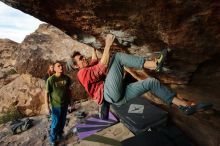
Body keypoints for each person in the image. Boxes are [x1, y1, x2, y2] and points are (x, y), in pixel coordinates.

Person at [72, 34, 212, 119]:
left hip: (118, 99)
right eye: (80, 59)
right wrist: (108, 44)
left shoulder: (87, 67)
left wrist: (93, 48)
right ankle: (154, 64)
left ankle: (185, 106)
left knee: (151, 82)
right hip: (109, 94)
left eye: (83, 57)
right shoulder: (82, 73)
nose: (83, 59)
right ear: (76, 66)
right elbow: (101, 66)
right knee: (117, 57)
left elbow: (94, 60)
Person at [45, 61, 72, 145]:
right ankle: (53, 140)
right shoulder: (51, 80)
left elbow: (69, 90)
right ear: (55, 69)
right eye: (58, 66)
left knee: (63, 121)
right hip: (56, 106)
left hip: (65, 104)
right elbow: (46, 93)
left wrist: (71, 101)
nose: (61, 67)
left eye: (62, 65)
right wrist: (47, 106)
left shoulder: (67, 78)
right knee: (55, 123)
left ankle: (60, 134)